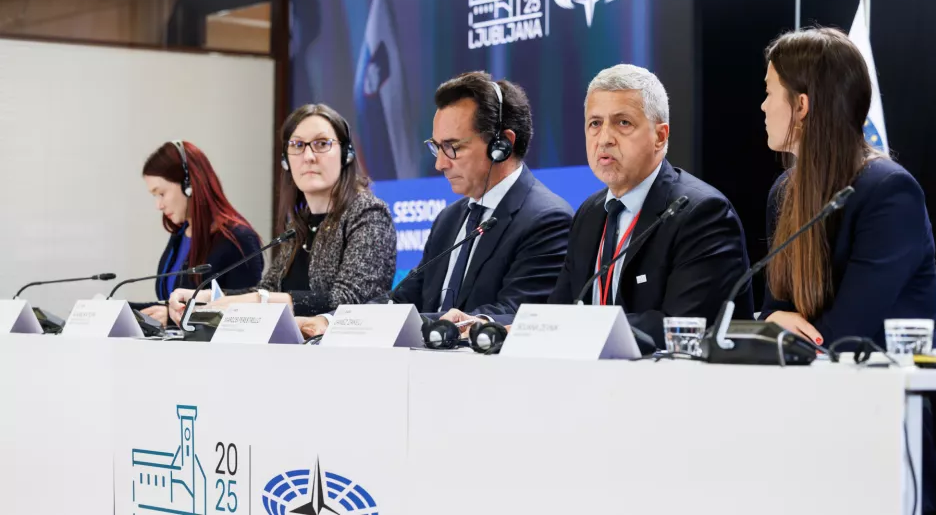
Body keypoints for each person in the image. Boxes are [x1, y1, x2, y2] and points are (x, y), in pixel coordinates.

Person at [758, 27, 936, 510]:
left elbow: (849, 335)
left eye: (770, 91)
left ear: (802, 105)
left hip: (902, 438)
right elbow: (773, 315)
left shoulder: (889, 191)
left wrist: (783, 329)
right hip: (819, 421)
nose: (762, 105)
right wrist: (774, 324)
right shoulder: (785, 193)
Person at [442, 64, 754, 347]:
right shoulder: (590, 213)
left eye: (623, 123)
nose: (604, 138)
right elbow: (558, 313)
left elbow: (683, 327)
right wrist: (500, 325)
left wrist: (574, 330)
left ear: (660, 137)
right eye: (594, 124)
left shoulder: (702, 214)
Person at [295, 71, 573, 338]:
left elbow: (515, 315)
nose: (440, 163)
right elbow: (403, 299)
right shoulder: (449, 220)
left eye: (453, 147)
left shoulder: (547, 220)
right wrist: (332, 321)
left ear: (502, 144)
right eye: (437, 147)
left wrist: (434, 324)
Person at [168, 104, 396, 322]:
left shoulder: (368, 214)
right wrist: (208, 297)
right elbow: (267, 290)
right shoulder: (299, 225)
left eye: (322, 143)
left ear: (346, 154)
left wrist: (260, 300)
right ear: (286, 161)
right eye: (297, 145)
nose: (308, 156)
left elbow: (350, 299)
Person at [139, 140, 262, 325]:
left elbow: (244, 313)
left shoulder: (238, 239)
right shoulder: (181, 235)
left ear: (189, 185)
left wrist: (173, 320)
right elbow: (168, 305)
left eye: (161, 193)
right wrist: (116, 310)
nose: (159, 205)